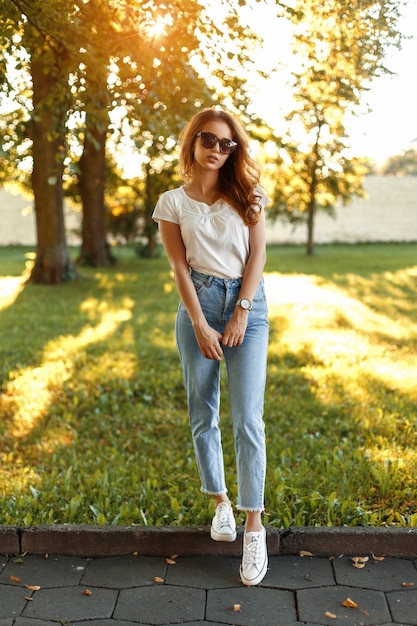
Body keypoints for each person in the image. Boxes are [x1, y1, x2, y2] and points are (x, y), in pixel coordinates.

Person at [152, 107, 269, 586]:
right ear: (193, 142)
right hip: (196, 304)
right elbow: (179, 268)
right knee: (204, 412)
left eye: (227, 144)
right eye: (209, 140)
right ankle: (219, 501)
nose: (218, 150)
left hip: (248, 306)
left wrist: (241, 309)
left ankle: (254, 527)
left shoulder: (248, 195)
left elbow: (258, 253)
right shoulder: (171, 203)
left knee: (247, 418)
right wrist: (200, 323)